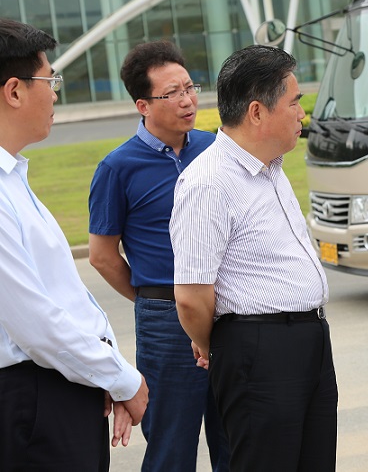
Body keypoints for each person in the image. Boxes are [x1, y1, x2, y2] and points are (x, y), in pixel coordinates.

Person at [170, 45, 336, 471]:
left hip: (308, 339)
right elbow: (191, 297)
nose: (303, 113)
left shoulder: (271, 167)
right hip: (258, 351)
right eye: (295, 102)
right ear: (257, 112)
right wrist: (222, 345)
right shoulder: (208, 183)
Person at [0, 18, 149, 469]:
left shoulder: (14, 179)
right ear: (14, 91)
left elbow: (64, 299)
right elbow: (35, 322)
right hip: (35, 399)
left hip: (58, 386)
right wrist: (125, 381)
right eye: (50, 80)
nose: (55, 93)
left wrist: (104, 372)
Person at [88, 40, 230, 471]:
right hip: (165, 320)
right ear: (143, 105)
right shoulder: (118, 167)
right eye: (173, 93)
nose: (188, 100)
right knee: (171, 443)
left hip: (228, 311)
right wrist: (149, 298)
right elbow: (102, 255)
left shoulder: (218, 148)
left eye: (190, 87)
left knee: (237, 437)